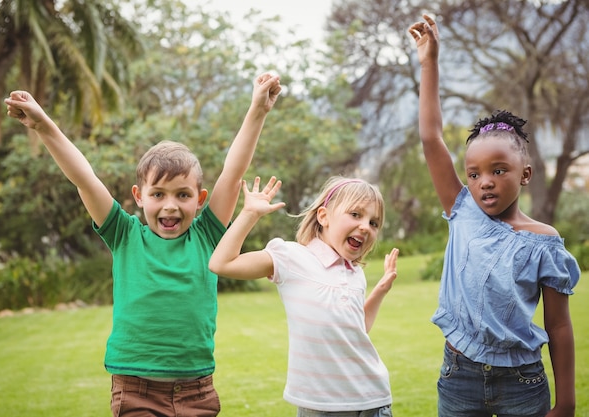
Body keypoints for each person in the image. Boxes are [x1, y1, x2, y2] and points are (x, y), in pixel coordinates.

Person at [4, 73, 282, 417]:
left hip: (197, 389)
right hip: (136, 389)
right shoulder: (124, 234)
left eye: (183, 195)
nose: (170, 206)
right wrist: (44, 126)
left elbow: (233, 172)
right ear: (139, 197)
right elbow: (84, 177)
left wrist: (257, 109)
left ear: (200, 200)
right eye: (158, 195)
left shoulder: (208, 235)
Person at [409, 15, 581, 417]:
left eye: (498, 170)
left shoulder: (545, 242)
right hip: (459, 376)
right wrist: (429, 61)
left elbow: (558, 326)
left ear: (525, 174)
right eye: (474, 174)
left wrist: (567, 399)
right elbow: (431, 136)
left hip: (523, 382)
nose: (484, 182)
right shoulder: (461, 208)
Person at [209, 175, 399, 417]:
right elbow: (221, 264)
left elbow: (357, 329)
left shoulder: (356, 274)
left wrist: (381, 289)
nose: (365, 226)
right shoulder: (291, 257)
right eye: (355, 214)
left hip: (374, 400)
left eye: (374, 223)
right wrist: (250, 214)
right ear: (323, 216)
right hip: (320, 406)